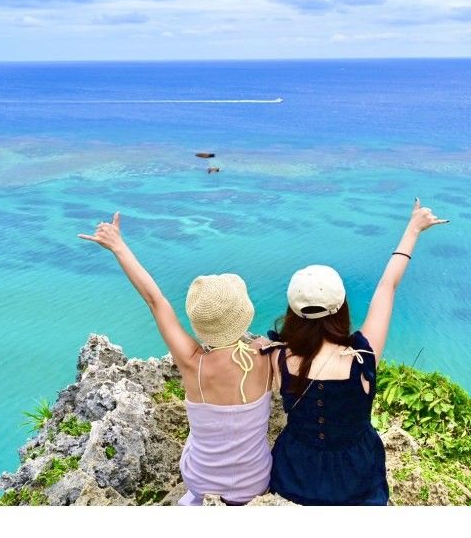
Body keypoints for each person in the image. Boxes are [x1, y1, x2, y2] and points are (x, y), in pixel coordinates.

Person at [260, 197, 448, 505]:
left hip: (294, 474)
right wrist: (413, 228)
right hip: (357, 477)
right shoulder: (362, 357)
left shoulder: (276, 356)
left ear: (293, 312)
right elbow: (388, 286)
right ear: (341, 308)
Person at [77, 212, 273, 506]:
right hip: (255, 484)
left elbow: (156, 301)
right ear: (244, 313)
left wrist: (119, 246)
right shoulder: (267, 356)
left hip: (203, 482)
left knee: (195, 445)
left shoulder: (193, 362)